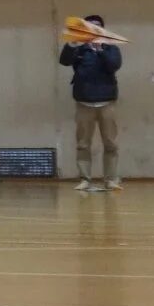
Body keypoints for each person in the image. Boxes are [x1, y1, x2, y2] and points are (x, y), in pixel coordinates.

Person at [60, 16, 122, 192]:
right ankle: (85, 180)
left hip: (107, 102)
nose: (94, 30)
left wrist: (100, 49)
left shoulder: (111, 47)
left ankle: (110, 180)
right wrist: (73, 43)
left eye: (98, 27)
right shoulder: (79, 48)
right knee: (83, 144)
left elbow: (114, 65)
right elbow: (64, 61)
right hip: (83, 102)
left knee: (110, 143)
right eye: (90, 27)